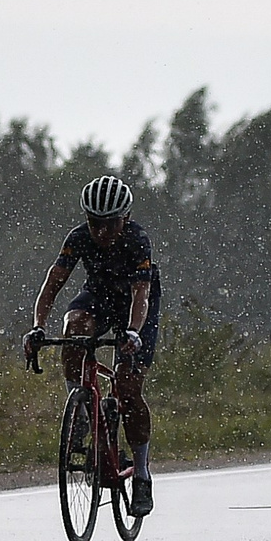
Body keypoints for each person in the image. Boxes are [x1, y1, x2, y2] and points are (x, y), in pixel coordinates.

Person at [25, 173, 160, 517]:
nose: (101, 232)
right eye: (94, 223)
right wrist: (38, 327)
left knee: (128, 389)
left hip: (134, 304)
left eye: (109, 224)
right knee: (73, 328)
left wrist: (132, 332)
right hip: (99, 297)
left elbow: (140, 294)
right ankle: (84, 410)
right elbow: (53, 283)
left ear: (124, 219)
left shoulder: (137, 240)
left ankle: (142, 474)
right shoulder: (79, 238)